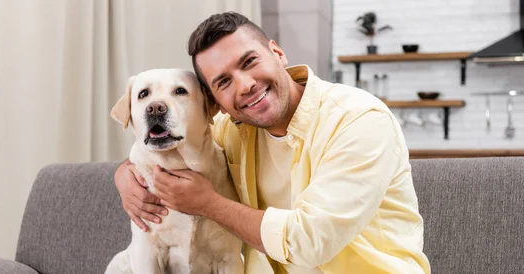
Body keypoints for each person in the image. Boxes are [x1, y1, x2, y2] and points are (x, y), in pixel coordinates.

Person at [114, 11, 431, 273]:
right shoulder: (232, 128)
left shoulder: (359, 120)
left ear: (277, 53)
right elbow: (176, 139)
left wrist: (209, 203)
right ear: (215, 103)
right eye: (224, 82)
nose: (245, 85)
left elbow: (307, 243)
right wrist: (125, 174)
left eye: (249, 62)